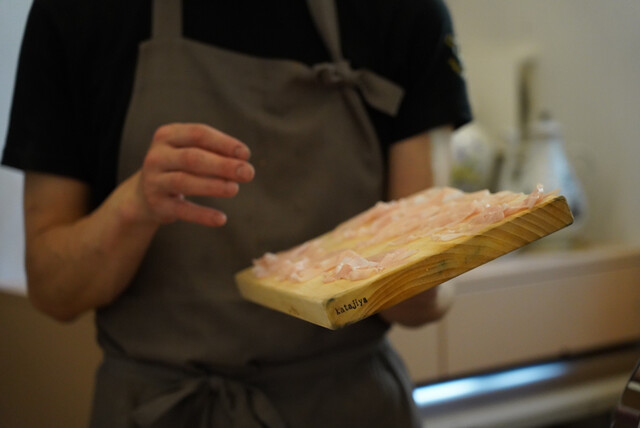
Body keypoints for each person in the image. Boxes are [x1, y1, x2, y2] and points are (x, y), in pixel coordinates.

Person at [2, 0, 472, 426]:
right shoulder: (76, 13)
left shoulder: (406, 13)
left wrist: (423, 269)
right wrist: (135, 206)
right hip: (161, 408)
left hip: (348, 405)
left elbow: (421, 299)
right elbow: (52, 289)